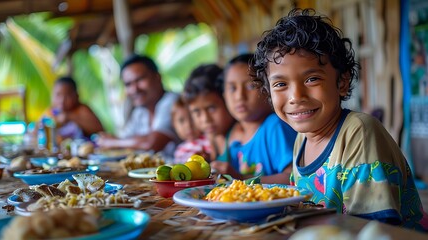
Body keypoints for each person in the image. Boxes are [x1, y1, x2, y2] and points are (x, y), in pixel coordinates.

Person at [251, 8, 428, 231]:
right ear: (269, 93)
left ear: (342, 82)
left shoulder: (359, 132)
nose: (296, 97)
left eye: (312, 79)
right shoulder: (302, 139)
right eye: (280, 84)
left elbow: (371, 229)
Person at [211, 53, 297, 184]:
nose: (240, 96)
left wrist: (241, 179)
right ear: (224, 94)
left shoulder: (275, 126)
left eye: (250, 86)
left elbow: (293, 178)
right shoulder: (231, 132)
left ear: (268, 89)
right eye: (232, 88)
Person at [96, 54, 180, 158]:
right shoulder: (140, 111)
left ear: (157, 77)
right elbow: (124, 138)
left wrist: (112, 142)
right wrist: (112, 140)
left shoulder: (173, 101)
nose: (134, 89)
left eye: (140, 80)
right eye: (128, 84)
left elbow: (152, 143)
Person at [181, 64, 235, 162]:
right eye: (197, 111)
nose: (205, 119)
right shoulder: (212, 137)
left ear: (226, 99)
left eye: (211, 108)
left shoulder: (238, 138)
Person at [44, 76, 104, 144]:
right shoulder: (51, 112)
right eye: (58, 95)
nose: (62, 100)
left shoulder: (82, 109)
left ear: (77, 96)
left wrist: (69, 117)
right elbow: (37, 130)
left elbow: (99, 129)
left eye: (67, 95)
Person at [171, 97, 211, 164]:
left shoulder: (207, 142)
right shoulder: (180, 150)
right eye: (181, 120)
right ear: (173, 124)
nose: (188, 125)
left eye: (192, 119)